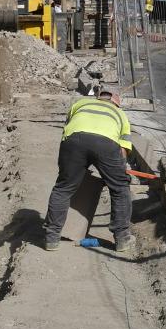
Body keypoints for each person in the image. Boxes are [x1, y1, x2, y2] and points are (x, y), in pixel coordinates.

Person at [42, 89, 135, 256]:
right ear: (116, 103)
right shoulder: (120, 114)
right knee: (120, 188)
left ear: (99, 98)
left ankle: (51, 237)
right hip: (106, 144)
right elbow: (123, 149)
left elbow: (68, 131)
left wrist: (76, 166)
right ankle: (121, 239)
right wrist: (119, 171)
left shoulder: (80, 104)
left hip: (73, 141)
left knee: (63, 187)